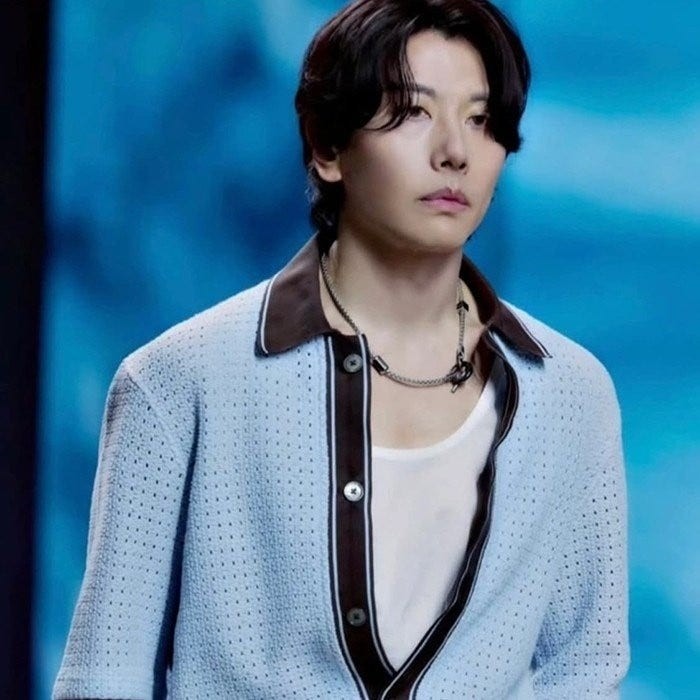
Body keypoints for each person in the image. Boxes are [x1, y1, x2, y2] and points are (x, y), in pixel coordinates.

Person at [53, 1, 630, 698]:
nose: (455, 151)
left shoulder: (570, 394)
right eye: (412, 112)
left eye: (481, 120)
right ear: (328, 149)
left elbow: (585, 668)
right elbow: (104, 677)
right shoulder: (177, 382)